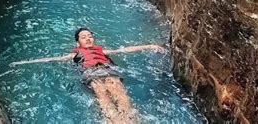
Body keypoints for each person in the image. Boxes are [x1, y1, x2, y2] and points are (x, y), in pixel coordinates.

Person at [10, 27, 166, 123]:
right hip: (90, 74)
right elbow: (52, 59)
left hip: (108, 71)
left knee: (119, 92)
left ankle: (131, 121)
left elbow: (125, 50)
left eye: (90, 36)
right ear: (78, 43)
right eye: (84, 37)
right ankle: (114, 121)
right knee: (103, 96)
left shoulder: (102, 51)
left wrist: (150, 46)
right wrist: (22, 63)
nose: (88, 38)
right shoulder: (74, 54)